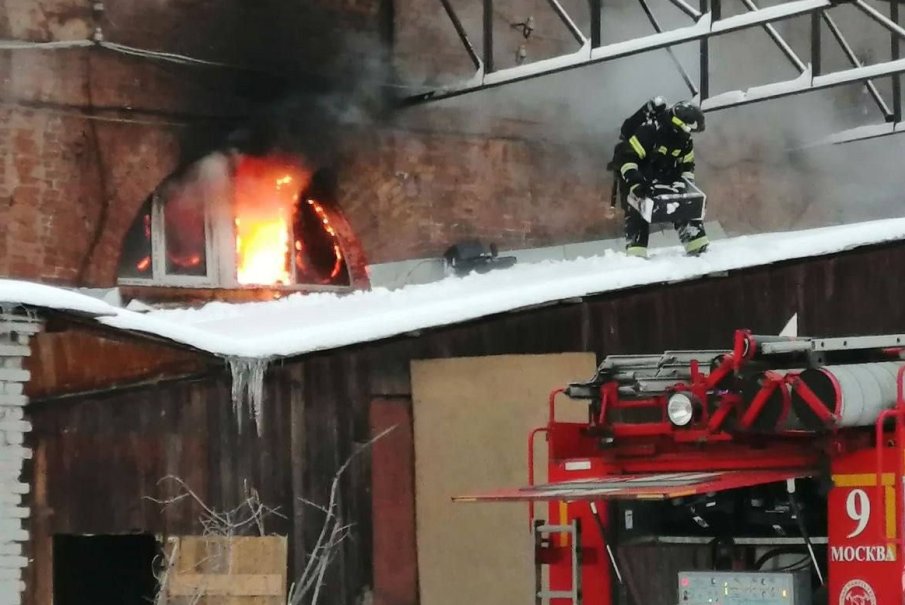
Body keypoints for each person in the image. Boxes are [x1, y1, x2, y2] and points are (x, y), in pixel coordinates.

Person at [612, 100, 710, 258]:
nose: (689, 133)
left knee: (685, 205)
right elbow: (627, 158)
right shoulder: (650, 131)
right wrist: (636, 183)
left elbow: (687, 166)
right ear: (679, 123)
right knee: (637, 210)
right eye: (689, 128)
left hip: (665, 178)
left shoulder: (685, 140)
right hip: (638, 179)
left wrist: (688, 190)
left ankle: (698, 247)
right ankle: (636, 257)